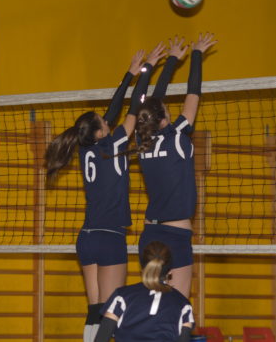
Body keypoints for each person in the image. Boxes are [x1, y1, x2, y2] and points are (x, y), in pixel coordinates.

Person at [45, 44, 166, 342]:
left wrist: (130, 73)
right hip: (110, 236)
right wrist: (147, 69)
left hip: (87, 237)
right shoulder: (114, 144)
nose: (107, 119)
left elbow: (113, 110)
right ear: (101, 132)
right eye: (103, 121)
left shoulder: (86, 148)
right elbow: (134, 107)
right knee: (111, 315)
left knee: (95, 311)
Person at [135, 33, 217, 299]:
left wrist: (172, 60)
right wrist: (197, 54)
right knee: (177, 307)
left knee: (151, 305)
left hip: (149, 234)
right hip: (176, 235)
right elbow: (194, 93)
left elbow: (153, 102)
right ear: (163, 120)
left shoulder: (141, 140)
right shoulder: (177, 136)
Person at [94, 240, 194, 342]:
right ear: (170, 271)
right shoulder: (183, 305)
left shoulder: (122, 297)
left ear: (142, 267)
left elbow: (101, 338)